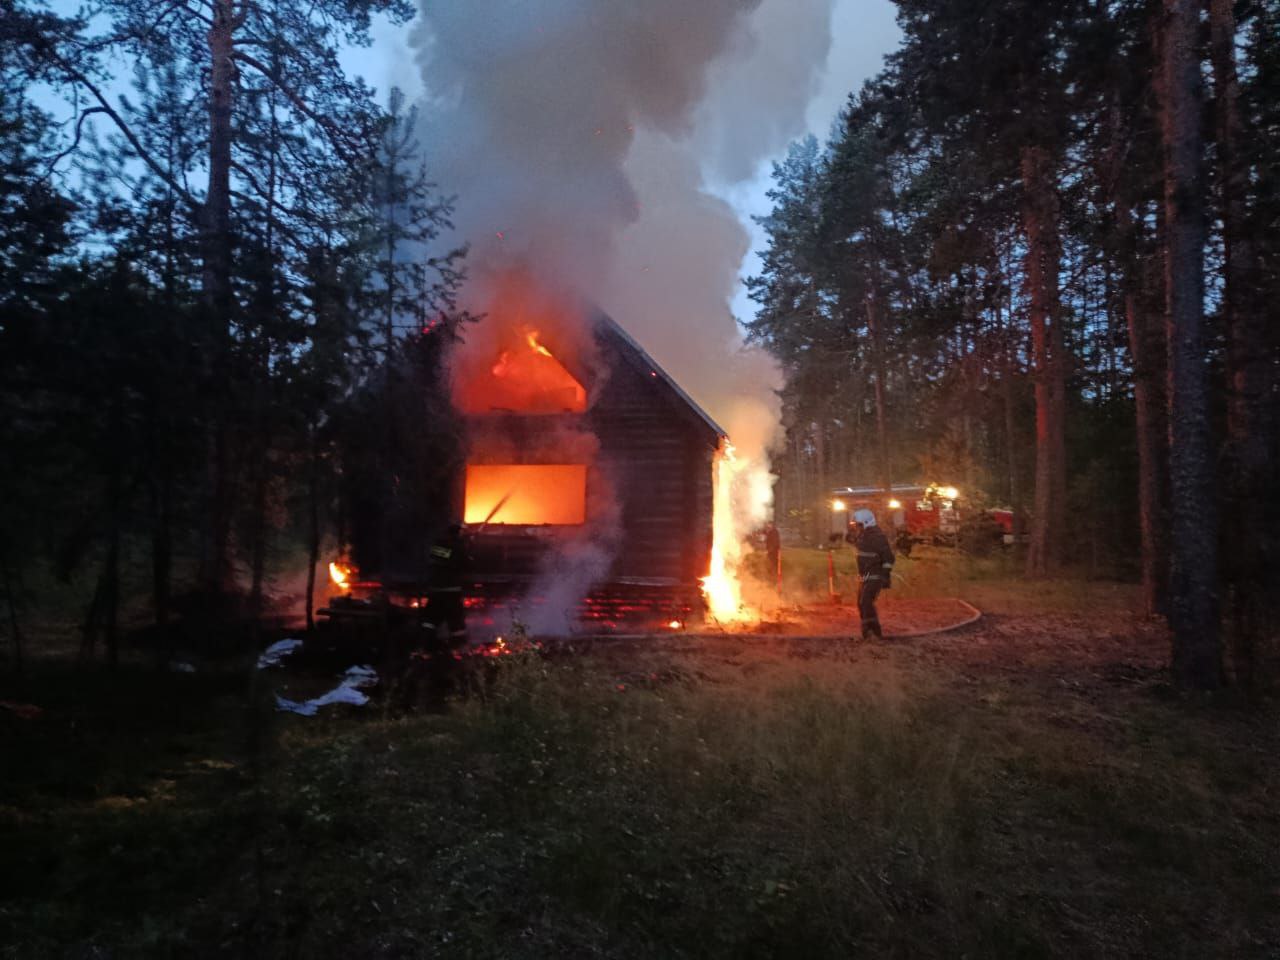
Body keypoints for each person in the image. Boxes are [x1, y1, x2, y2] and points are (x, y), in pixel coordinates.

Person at [845, 508, 894, 640]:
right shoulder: (864, 536)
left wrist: (885, 576)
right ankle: (867, 633)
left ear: (867, 523)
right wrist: (849, 536)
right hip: (865, 576)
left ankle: (875, 633)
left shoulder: (878, 537)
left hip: (875, 576)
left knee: (866, 602)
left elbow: (889, 558)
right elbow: (855, 543)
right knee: (861, 604)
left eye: (858, 525)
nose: (857, 528)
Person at [764, 522, 781, 588]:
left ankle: (774, 583)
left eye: (769, 524)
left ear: (772, 525)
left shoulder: (774, 532)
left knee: (773, 568)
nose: (767, 525)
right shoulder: (770, 531)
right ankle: (771, 582)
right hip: (771, 553)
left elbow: (775, 543)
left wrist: (769, 551)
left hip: (774, 553)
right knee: (770, 568)